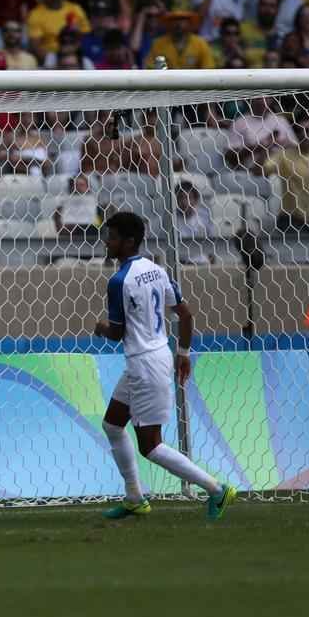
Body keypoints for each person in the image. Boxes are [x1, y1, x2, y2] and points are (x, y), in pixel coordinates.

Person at [94, 211, 236, 521]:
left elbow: (117, 333)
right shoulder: (157, 270)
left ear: (129, 241)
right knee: (112, 425)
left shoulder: (119, 281)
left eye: (113, 237)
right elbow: (184, 315)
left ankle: (216, 489)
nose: (108, 242)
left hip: (144, 364)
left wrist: (101, 327)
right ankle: (134, 497)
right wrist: (183, 352)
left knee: (151, 446)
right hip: (151, 358)